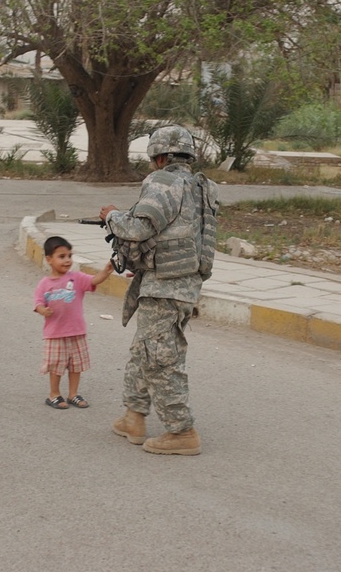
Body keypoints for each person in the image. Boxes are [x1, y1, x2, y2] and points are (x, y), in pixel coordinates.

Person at [99, 125, 218, 455]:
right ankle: (133, 416)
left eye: (154, 159)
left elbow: (138, 227)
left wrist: (112, 216)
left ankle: (182, 432)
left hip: (165, 285)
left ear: (160, 157)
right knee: (144, 350)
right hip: (182, 283)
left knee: (160, 359)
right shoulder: (201, 186)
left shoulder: (164, 181)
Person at [33, 236, 114, 409]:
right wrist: (43, 310)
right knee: (56, 366)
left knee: (76, 366)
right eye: (61, 256)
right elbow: (38, 303)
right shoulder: (44, 284)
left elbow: (93, 280)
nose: (67, 260)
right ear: (49, 259)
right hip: (55, 333)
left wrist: (106, 271)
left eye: (69, 255)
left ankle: (73, 394)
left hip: (77, 331)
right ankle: (54, 394)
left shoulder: (76, 278)